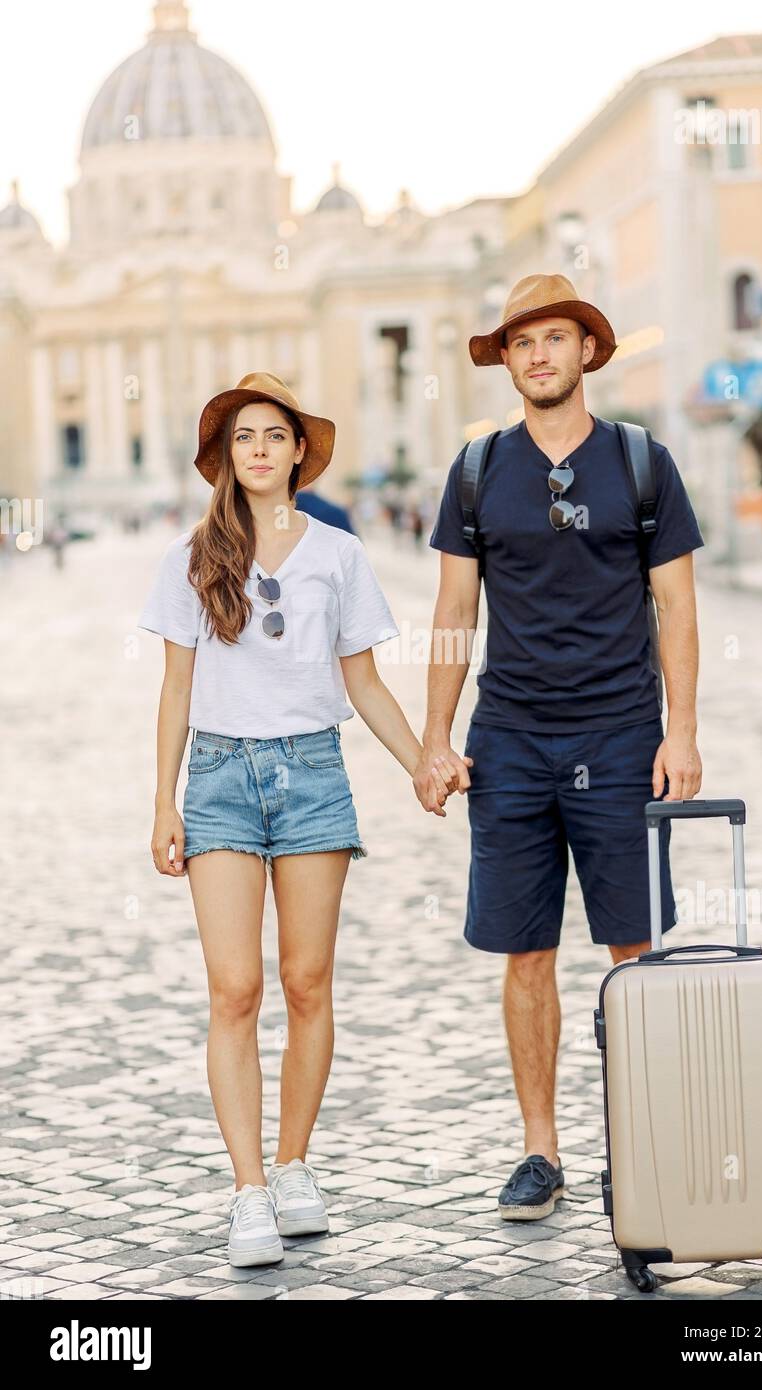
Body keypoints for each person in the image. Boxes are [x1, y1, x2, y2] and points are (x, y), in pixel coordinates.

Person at [138, 371, 453, 1268]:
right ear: (224, 458)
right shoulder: (191, 557)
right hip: (221, 779)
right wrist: (163, 800)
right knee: (235, 989)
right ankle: (246, 1193)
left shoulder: (337, 554)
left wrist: (423, 762)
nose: (262, 450)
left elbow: (362, 682)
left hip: (314, 774)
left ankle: (294, 1166)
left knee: (309, 984)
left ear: (299, 451)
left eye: (276, 435)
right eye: (245, 438)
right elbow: (175, 688)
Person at [413, 273, 704, 1222]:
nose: (538, 355)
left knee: (634, 946)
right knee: (525, 952)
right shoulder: (476, 470)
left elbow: (678, 607)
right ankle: (541, 1150)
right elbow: (455, 614)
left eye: (554, 339)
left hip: (623, 735)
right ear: (507, 361)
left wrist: (683, 731)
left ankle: (648, 1139)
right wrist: (434, 738)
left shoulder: (642, 462)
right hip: (510, 743)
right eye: (521, 343)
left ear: (587, 351)